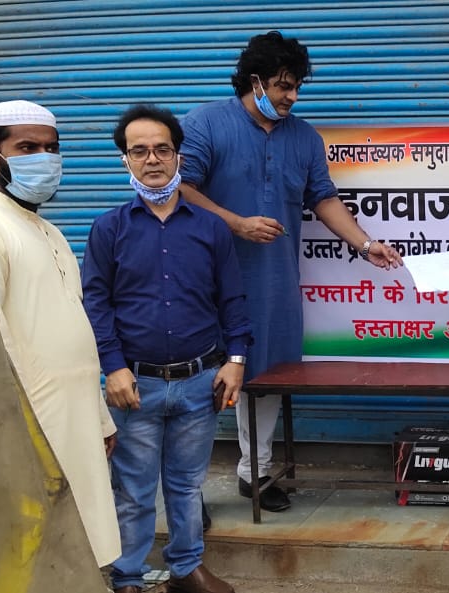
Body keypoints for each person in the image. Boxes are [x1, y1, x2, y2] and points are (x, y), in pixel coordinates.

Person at [179, 31, 402, 513]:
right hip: (206, 280)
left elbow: (322, 198)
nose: (291, 97)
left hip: (273, 280)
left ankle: (254, 473)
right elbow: (181, 190)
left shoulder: (304, 137)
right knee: (199, 380)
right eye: (283, 86)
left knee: (267, 376)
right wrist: (236, 223)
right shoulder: (205, 123)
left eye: (297, 87)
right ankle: (186, 492)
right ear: (255, 80)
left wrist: (366, 245)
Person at [82, 105, 252, 593]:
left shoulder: (210, 227)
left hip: (200, 382)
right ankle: (128, 577)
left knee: (186, 485)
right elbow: (97, 305)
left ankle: (186, 569)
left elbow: (232, 300)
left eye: (162, 149)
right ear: (125, 160)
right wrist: (112, 368)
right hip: (136, 385)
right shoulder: (109, 229)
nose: (152, 159)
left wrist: (235, 361)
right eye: (140, 151)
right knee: (133, 490)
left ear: (178, 156)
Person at [0, 100, 121, 568]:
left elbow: (75, 334)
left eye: (51, 148)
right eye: (28, 147)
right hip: (32, 429)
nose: (44, 158)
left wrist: (99, 418)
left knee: (82, 546)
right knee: (35, 551)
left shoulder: (50, 233)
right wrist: (20, 436)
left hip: (75, 420)